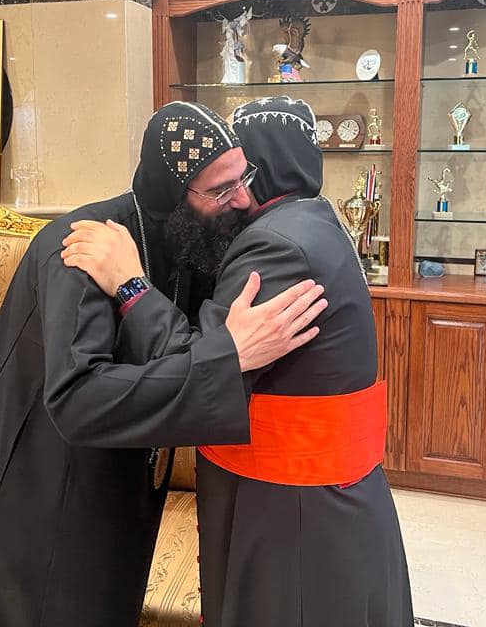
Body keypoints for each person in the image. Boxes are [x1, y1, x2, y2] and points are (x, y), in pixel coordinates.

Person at [0, 101, 328, 627]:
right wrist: (230, 357)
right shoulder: (83, 248)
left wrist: (228, 348)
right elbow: (77, 399)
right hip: (26, 490)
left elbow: (182, 346)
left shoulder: (195, 242)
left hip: (109, 492)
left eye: (243, 178)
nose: (242, 199)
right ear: (172, 196)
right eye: (221, 190)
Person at [64, 95, 414, 626]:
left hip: (291, 514)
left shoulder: (274, 247)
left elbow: (199, 370)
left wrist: (130, 284)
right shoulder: (312, 219)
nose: (236, 192)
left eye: (242, 174)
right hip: (315, 499)